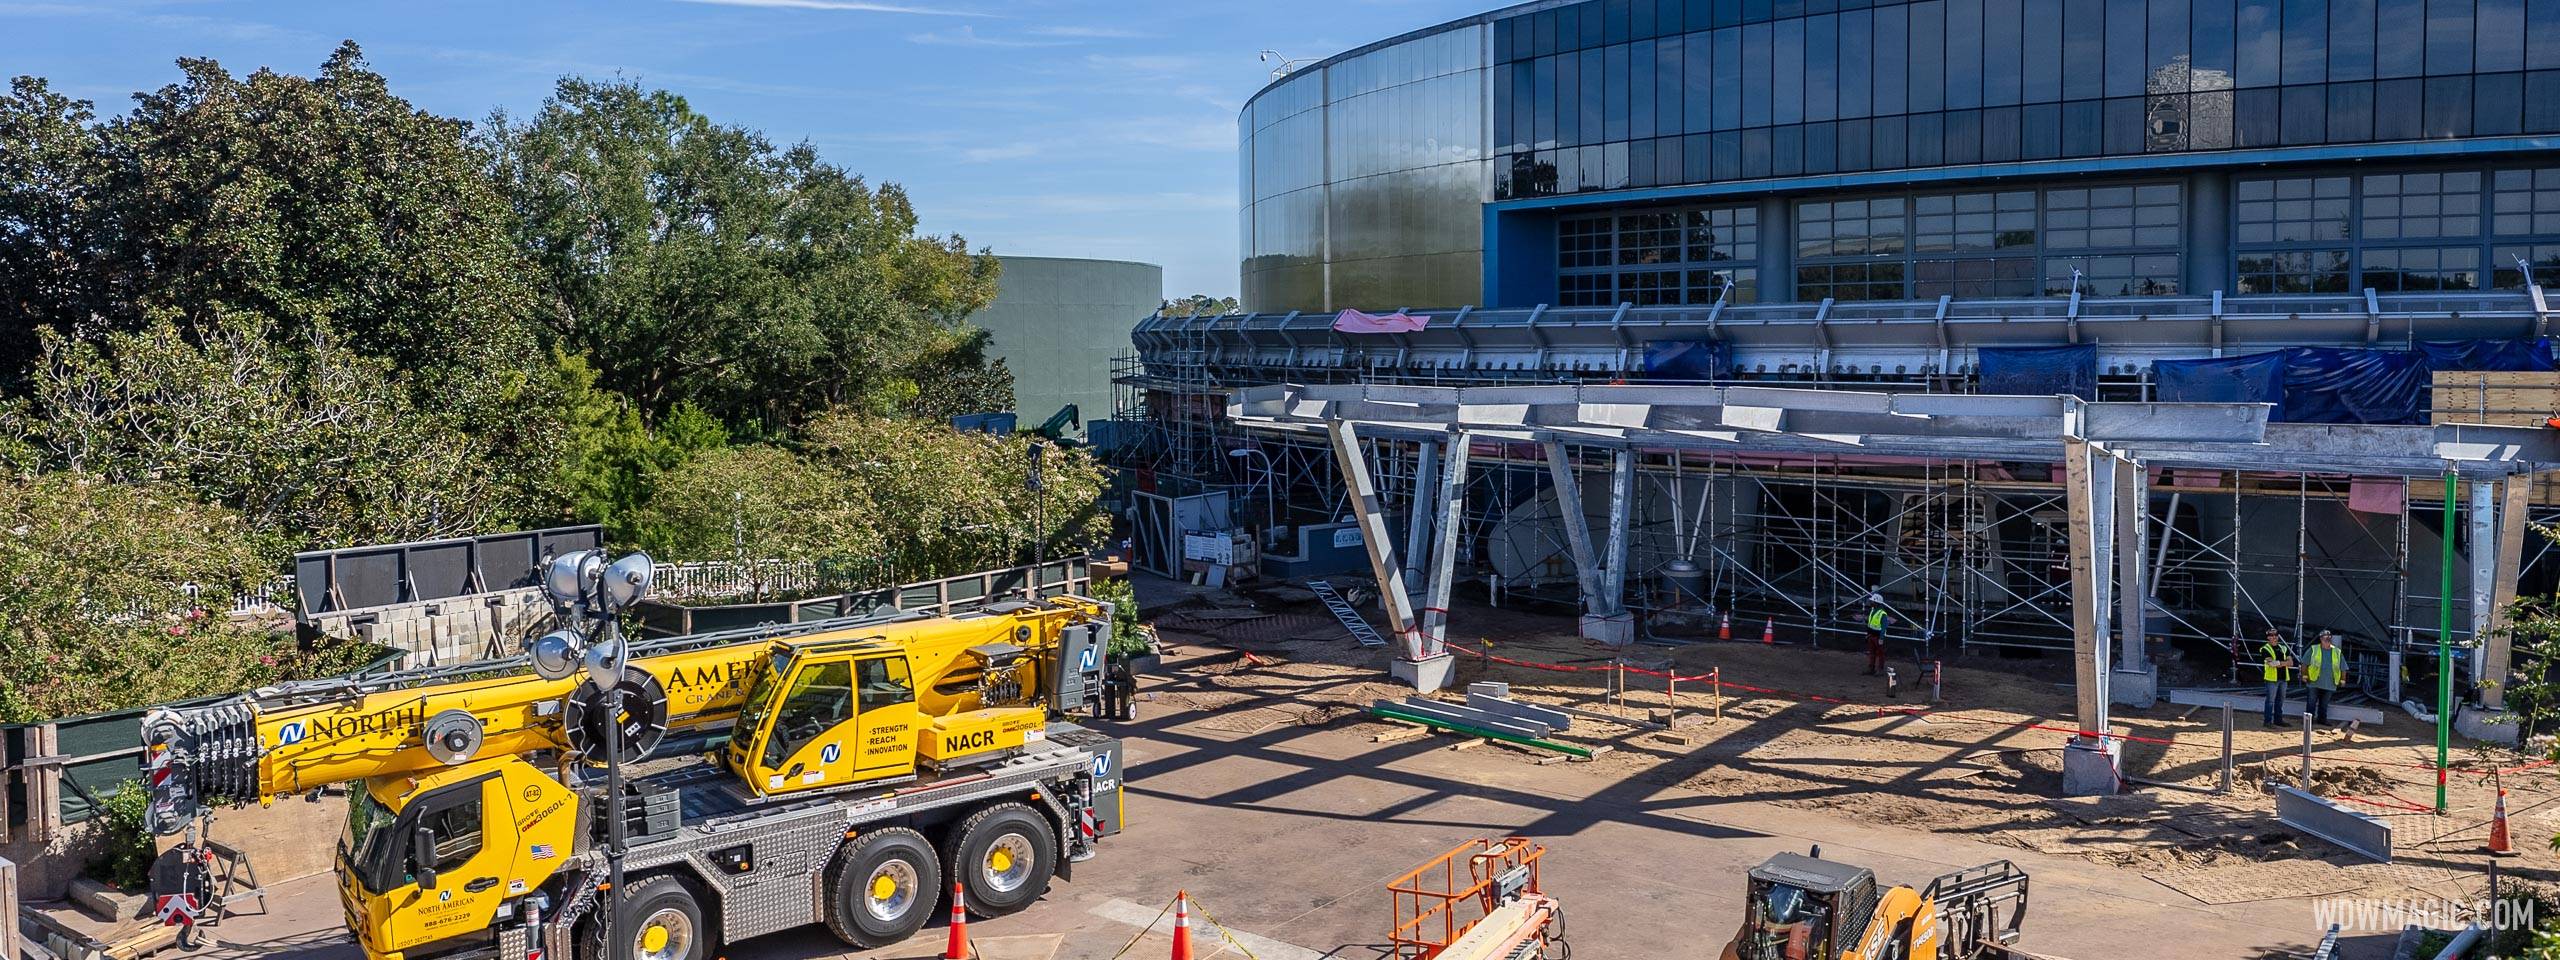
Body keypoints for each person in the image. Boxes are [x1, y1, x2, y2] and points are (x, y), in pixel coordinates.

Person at [2303, 630, 2346, 726]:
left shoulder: (2337, 652)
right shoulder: (2314, 649)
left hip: (2330, 683)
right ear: (2321, 639)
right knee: (2311, 702)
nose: (2327, 640)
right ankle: (2309, 721)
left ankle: (2322, 719)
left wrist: (2343, 680)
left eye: (2328, 638)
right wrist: (2304, 675)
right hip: (2314, 681)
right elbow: (2304, 663)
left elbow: (2343, 667)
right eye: (2325, 638)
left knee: (2324, 704)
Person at [2258, 629, 2295, 728]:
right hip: (2272, 679)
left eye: (2276, 635)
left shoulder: (2283, 648)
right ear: (2268, 637)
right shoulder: (2265, 649)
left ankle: (2278, 720)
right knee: (2270, 701)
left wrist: (2279, 663)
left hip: (2283, 678)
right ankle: (2267, 722)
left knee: (2280, 700)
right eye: (2271, 635)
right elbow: (2272, 664)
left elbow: (2291, 663)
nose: (2274, 637)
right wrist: (2284, 663)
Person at [1863, 594, 1890, 676]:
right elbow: (1870, 623)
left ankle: (1880, 669)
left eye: (1872, 601)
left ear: (1876, 602)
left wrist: (1881, 638)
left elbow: (1884, 627)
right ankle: (1871, 668)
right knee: (1872, 653)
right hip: (1872, 635)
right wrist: (1868, 634)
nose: (1871, 602)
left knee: (1880, 654)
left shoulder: (1882, 614)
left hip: (1877, 636)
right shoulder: (1873, 610)